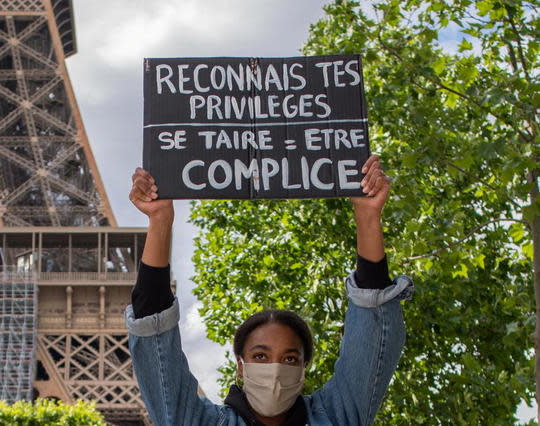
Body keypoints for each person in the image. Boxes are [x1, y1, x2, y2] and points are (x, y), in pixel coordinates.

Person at [125, 155, 412, 426]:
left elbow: (372, 333)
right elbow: (155, 342)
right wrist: (160, 221)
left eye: (290, 359)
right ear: (240, 366)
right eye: (261, 356)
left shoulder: (336, 416)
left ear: (304, 367)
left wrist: (368, 216)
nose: (275, 370)